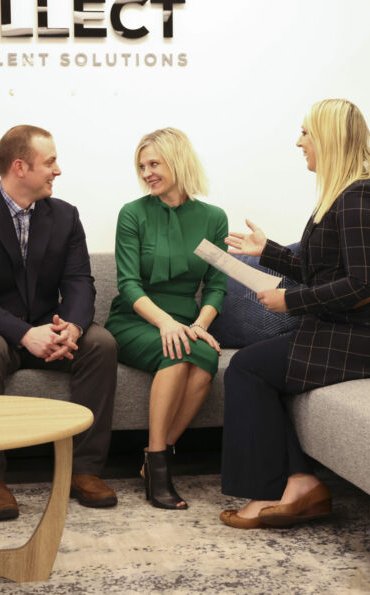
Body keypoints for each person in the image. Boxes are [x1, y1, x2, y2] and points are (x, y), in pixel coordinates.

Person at [219, 99, 370, 529]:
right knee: (253, 366)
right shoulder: (341, 197)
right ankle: (299, 481)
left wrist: (291, 302)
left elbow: (362, 283)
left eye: (306, 133)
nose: (299, 142)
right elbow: (320, 270)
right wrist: (269, 253)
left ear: (329, 138)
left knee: (246, 368)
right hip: (349, 329)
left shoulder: (359, 200)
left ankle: (276, 490)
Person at [0, 124, 119, 521]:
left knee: (101, 344)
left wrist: (73, 327)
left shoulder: (65, 216)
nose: (58, 170)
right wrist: (24, 334)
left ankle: (84, 471)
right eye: (49, 162)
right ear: (20, 167)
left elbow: (80, 281)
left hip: (45, 326)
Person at [104, 128, 227, 510]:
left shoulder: (212, 218)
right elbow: (128, 283)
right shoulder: (133, 214)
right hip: (134, 319)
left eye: (154, 164)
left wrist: (199, 326)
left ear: (177, 161)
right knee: (174, 351)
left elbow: (216, 285)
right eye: (142, 166)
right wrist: (166, 324)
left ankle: (154, 457)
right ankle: (159, 464)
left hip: (188, 323)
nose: (147, 173)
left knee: (205, 361)